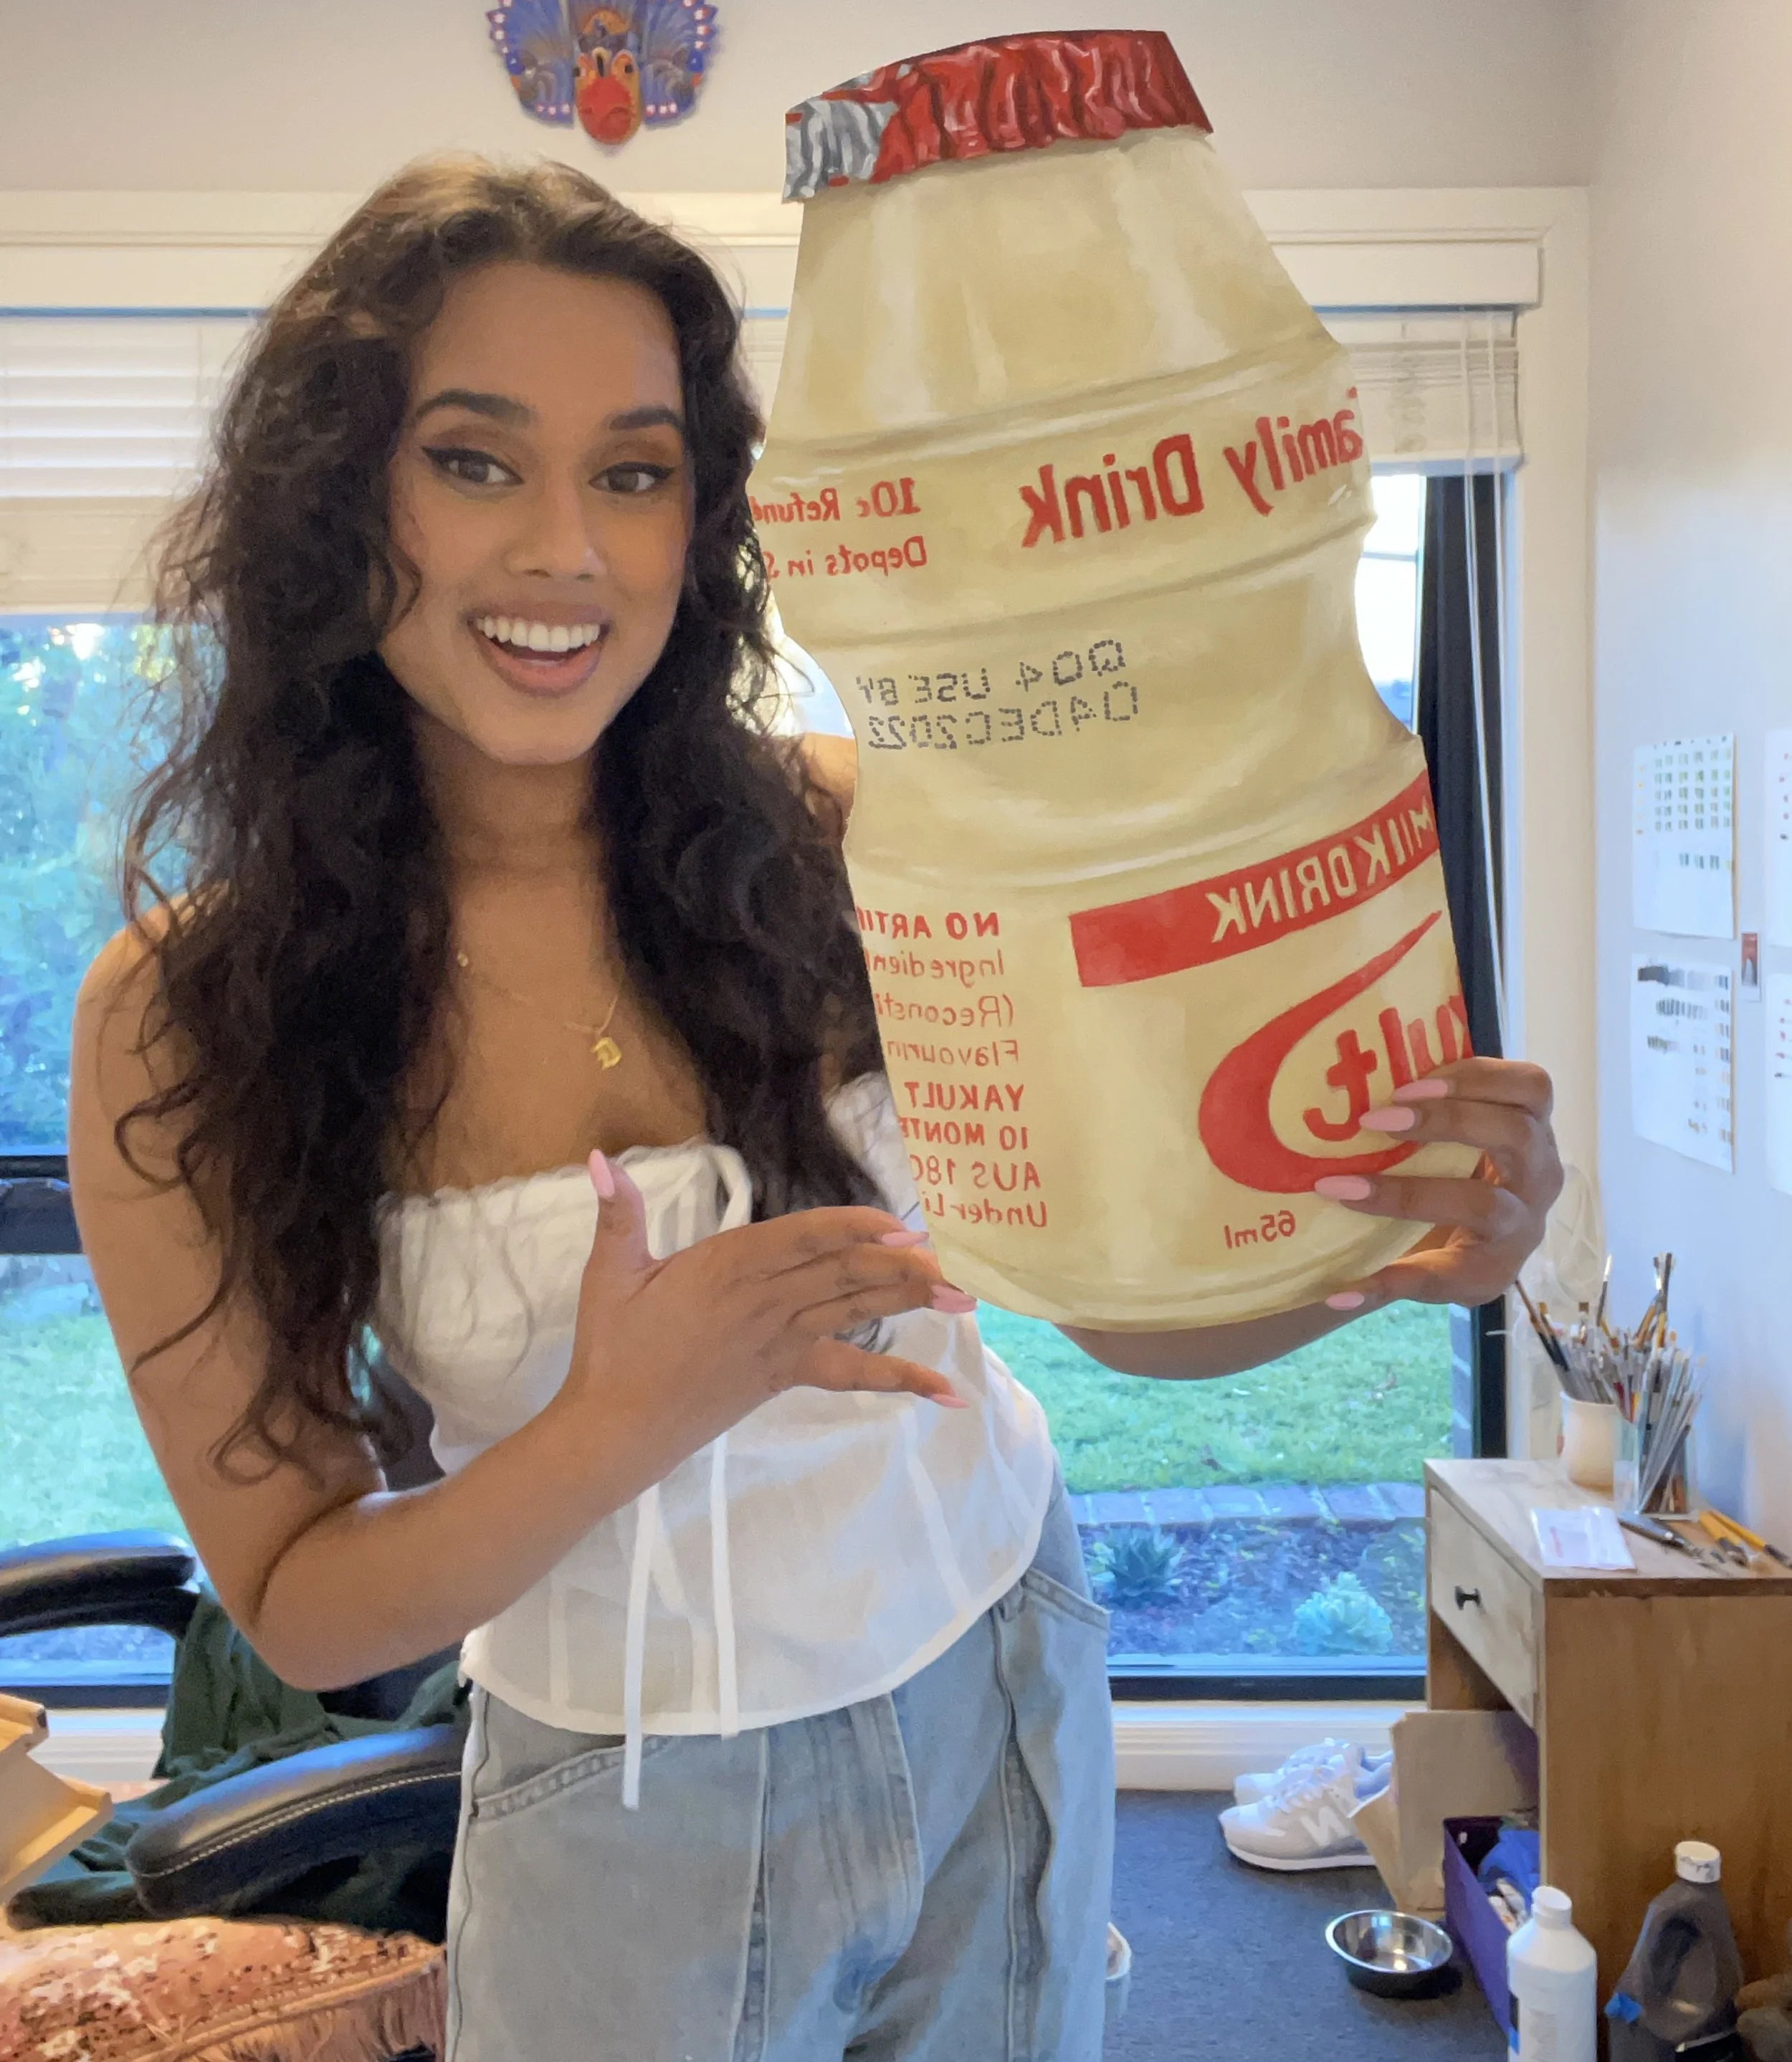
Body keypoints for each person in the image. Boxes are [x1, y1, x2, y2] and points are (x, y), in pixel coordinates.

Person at [68, 157, 1565, 2062]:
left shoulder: (857, 837)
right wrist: (622, 1416)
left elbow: (1105, 1303)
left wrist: (1390, 1251)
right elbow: (306, 1608)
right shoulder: (192, 1012)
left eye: (632, 469)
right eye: (471, 458)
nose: (569, 550)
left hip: (999, 1665)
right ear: (333, 499)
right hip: (620, 1810)